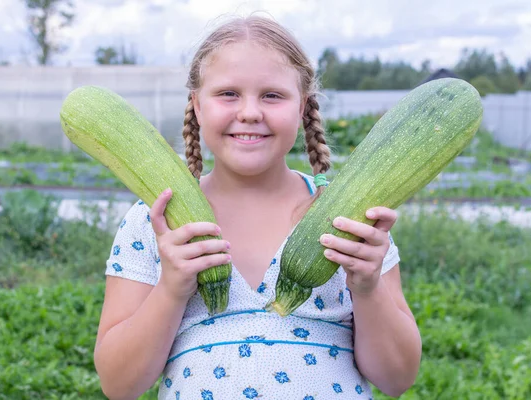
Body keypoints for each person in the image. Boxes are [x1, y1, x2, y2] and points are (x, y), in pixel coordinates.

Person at [93, 14, 421, 400]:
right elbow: (118, 385)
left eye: (272, 95)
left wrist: (367, 289)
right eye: (228, 94)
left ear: (302, 108)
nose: (250, 112)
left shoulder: (352, 220)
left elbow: (397, 379)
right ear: (197, 106)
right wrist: (171, 287)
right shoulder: (155, 221)